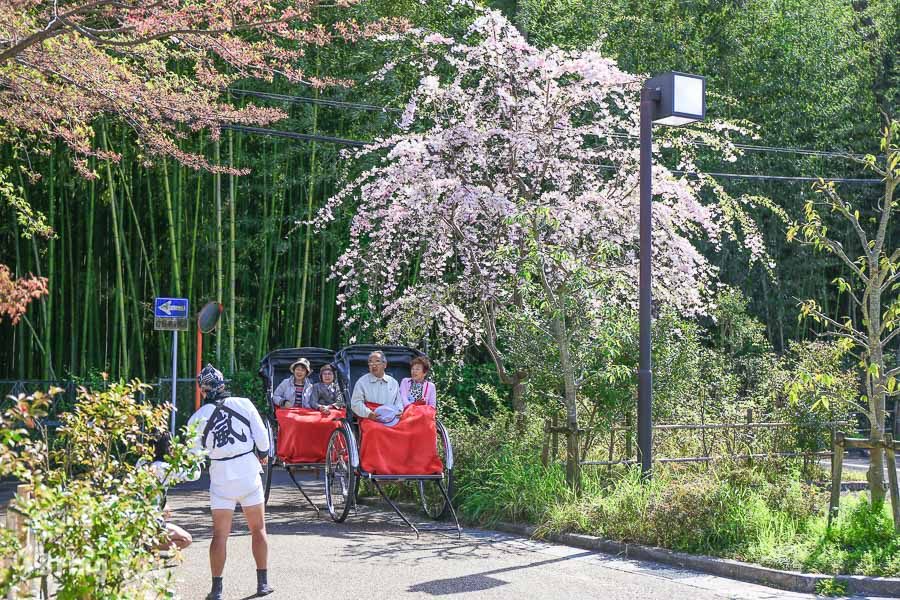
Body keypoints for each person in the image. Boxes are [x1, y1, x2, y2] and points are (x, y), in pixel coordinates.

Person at [187, 364, 274, 600]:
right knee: (258, 528)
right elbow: (263, 438)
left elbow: (193, 457)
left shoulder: (197, 418)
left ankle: (216, 589)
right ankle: (262, 584)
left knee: (220, 535)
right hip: (247, 472)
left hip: (221, 477)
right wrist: (263, 455)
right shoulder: (244, 404)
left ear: (203, 391)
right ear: (223, 385)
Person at [143, 431, 195, 552]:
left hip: (138, 514)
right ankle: (147, 545)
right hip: (150, 517)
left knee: (166, 509)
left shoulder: (141, 463)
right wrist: (194, 457)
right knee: (186, 539)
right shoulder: (164, 468)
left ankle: (145, 539)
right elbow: (193, 475)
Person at [350, 350, 403, 426]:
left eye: (377, 361)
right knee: (375, 430)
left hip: (390, 417)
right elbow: (355, 403)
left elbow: (398, 402)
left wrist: (399, 411)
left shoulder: (393, 382)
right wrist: (369, 414)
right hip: (370, 417)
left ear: (385, 364)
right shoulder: (362, 382)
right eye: (370, 362)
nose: (373, 365)